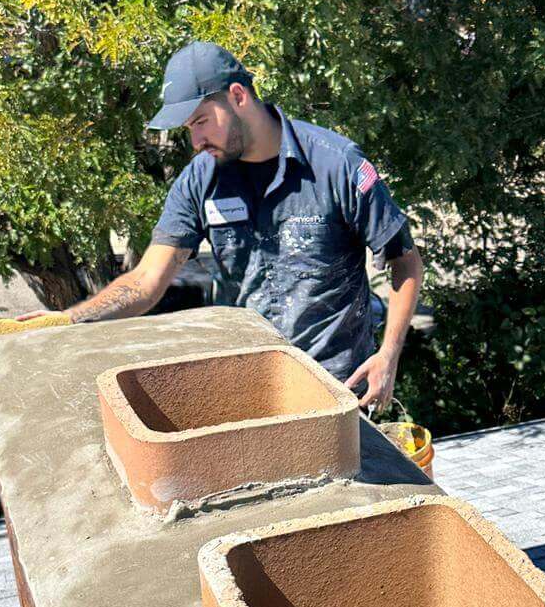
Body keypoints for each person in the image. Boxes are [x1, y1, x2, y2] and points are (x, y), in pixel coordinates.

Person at [56, 41, 423, 411]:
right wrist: (68, 320)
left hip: (339, 389)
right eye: (189, 128)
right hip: (250, 390)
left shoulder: (336, 165)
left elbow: (405, 262)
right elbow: (146, 281)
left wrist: (388, 356)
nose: (196, 142)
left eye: (200, 121)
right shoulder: (199, 180)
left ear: (238, 96)